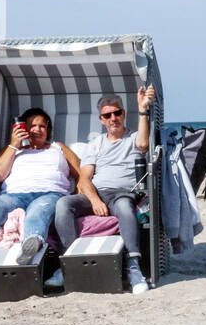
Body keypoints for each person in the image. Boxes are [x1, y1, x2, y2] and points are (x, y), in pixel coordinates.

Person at [53, 87, 156, 294]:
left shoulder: (134, 138)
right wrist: (94, 201)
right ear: (101, 119)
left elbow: (144, 145)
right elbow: (84, 177)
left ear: (123, 114)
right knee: (63, 204)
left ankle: (133, 268)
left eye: (117, 113)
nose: (113, 118)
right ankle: (70, 263)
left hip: (122, 193)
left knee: (125, 208)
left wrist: (143, 110)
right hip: (97, 193)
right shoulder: (96, 144)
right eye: (108, 115)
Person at [0, 108, 84, 265]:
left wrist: (80, 197)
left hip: (50, 193)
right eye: (32, 126)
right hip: (13, 195)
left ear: (48, 130)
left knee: (38, 211)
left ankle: (30, 247)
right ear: (23, 128)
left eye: (42, 126)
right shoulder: (11, 150)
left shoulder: (58, 148)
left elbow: (81, 173)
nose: (37, 130)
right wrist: (13, 145)